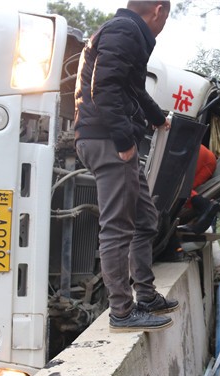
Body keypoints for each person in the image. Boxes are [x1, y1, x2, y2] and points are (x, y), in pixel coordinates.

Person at [74, 1, 178, 333]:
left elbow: (131, 88)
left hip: (107, 137)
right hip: (106, 140)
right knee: (118, 227)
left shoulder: (125, 31)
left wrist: (158, 118)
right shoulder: (124, 31)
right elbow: (103, 88)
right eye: (166, 18)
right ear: (158, 10)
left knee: (146, 218)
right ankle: (121, 310)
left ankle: (145, 295)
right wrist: (123, 140)